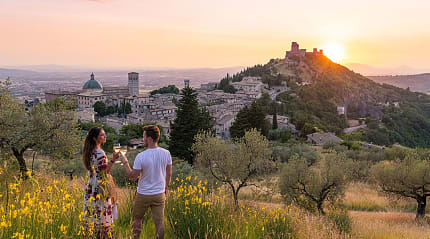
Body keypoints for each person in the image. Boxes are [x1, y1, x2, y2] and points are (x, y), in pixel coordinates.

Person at [114, 125, 172, 239]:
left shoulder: (141, 156)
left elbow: (132, 177)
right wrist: (165, 189)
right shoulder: (166, 153)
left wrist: (125, 162)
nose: (142, 139)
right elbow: (169, 174)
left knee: (137, 220)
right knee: (159, 223)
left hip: (143, 194)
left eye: (144, 137)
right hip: (159, 194)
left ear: (149, 139)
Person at [82, 127, 116, 239]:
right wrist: (113, 159)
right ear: (95, 138)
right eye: (102, 135)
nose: (105, 137)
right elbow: (105, 172)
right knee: (102, 215)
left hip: (91, 187)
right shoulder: (100, 153)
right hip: (100, 188)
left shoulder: (89, 152)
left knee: (92, 216)